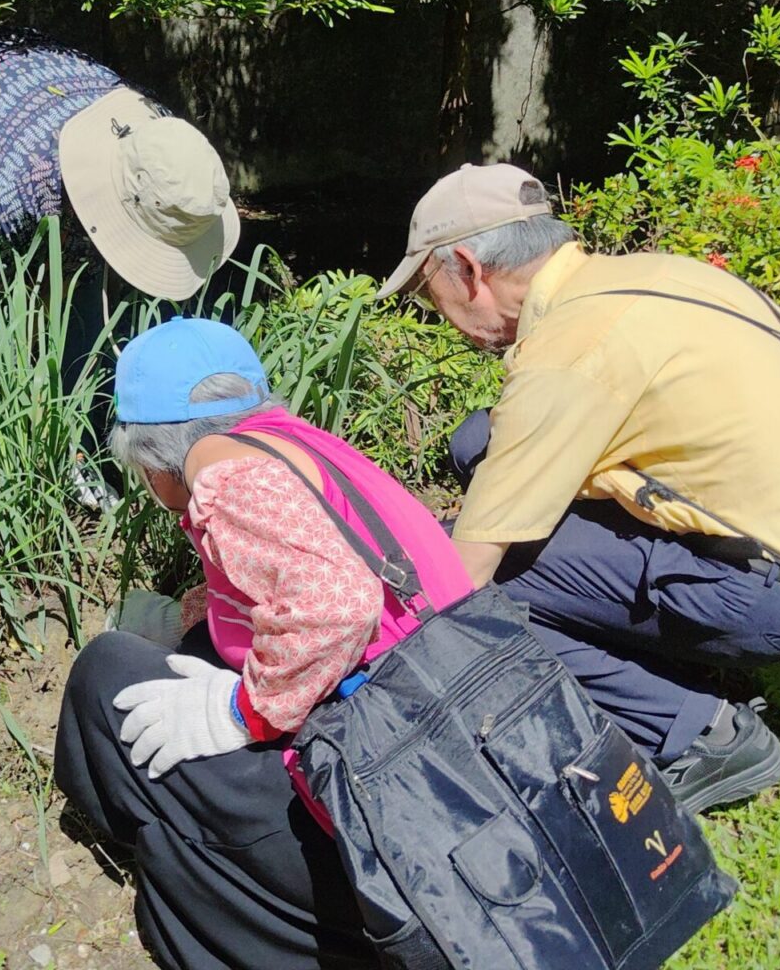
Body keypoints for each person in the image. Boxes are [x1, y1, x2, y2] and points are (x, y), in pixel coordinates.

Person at [375, 162, 780, 814]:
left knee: (486, 575)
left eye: (431, 295)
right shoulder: (655, 276)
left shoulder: (570, 352)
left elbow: (460, 578)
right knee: (477, 445)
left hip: (772, 592)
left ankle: (700, 732)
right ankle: (677, 650)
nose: (439, 316)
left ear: (469, 270)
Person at [53, 318, 475, 970]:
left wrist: (241, 714)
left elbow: (338, 606)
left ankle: (231, 890)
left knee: (104, 670)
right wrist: (196, 620)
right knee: (184, 645)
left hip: (382, 798)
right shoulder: (300, 447)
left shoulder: (220, 476)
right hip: (456, 752)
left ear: (151, 456)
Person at [0, 29, 243, 506]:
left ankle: (89, 446)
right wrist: (16, 421)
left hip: (46, 92)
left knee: (83, 289)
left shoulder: (160, 144)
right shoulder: (18, 191)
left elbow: (88, 286)